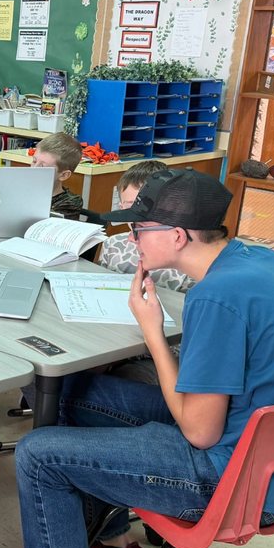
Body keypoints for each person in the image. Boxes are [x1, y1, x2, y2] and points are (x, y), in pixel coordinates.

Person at [14, 169, 274, 548]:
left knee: (38, 455)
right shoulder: (263, 260)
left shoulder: (215, 297)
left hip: (238, 481)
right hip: (267, 456)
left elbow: (201, 433)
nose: (131, 239)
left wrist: (152, 331)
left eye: (139, 228)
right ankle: (105, 538)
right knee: (63, 389)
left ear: (178, 236)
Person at [98, 160, 193, 385]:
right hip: (110, 339)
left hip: (157, 353)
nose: (137, 217)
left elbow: (183, 338)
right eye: (130, 207)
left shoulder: (185, 260)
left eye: (145, 208)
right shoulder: (113, 245)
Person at [29, 133, 83, 218]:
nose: (33, 169)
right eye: (34, 161)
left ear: (64, 175)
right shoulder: (23, 189)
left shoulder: (69, 203)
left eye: (43, 166)